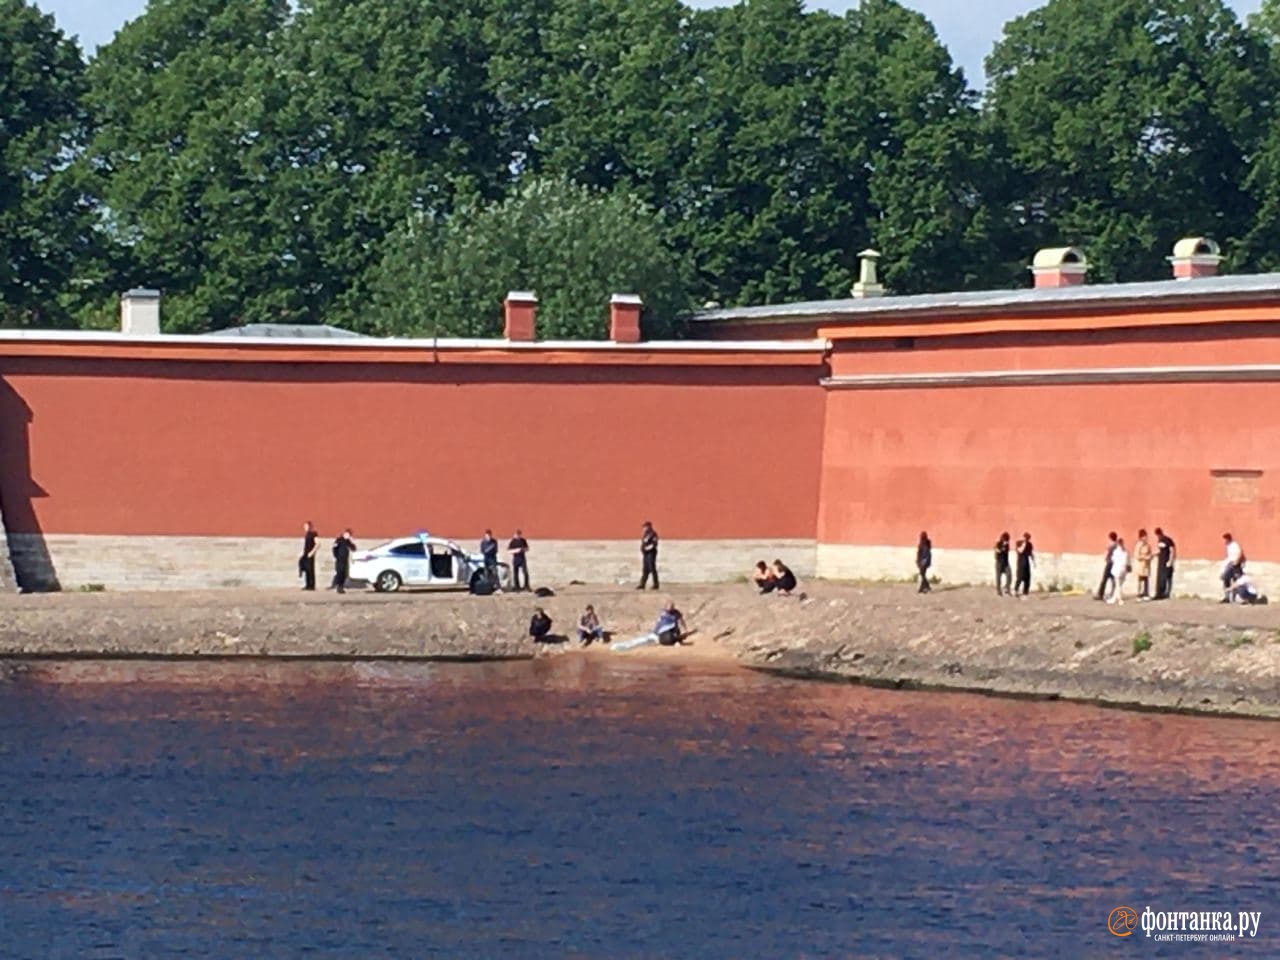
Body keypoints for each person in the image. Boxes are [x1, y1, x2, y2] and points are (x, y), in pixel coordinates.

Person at [1221, 533, 1245, 603]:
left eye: (1225, 540)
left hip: (1234, 565)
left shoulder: (1234, 545)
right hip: (1231, 564)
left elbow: (1241, 553)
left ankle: (1235, 598)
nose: (1224, 542)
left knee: (1235, 580)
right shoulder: (1229, 546)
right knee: (1227, 579)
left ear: (1228, 539)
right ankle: (1228, 597)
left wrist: (1237, 561)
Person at [1154, 527, 1177, 600]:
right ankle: (1159, 593)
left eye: (1159, 534)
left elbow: (1172, 550)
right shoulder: (1159, 540)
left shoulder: (1168, 540)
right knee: (1160, 578)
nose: (1158, 536)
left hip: (1167, 562)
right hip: (1161, 562)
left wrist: (1170, 561)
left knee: (1167, 577)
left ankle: (1167, 593)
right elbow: (1160, 551)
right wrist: (1154, 554)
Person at [331, 529, 356, 594]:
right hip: (339, 560)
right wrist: (336, 556)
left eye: (349, 535)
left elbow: (353, 548)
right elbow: (334, 548)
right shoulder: (339, 540)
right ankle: (338, 587)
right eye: (348, 534)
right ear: (345, 534)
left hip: (345, 560)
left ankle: (341, 587)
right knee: (340, 573)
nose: (348, 536)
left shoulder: (348, 541)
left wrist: (352, 541)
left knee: (344, 574)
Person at [1095, 531, 1118, 601]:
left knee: (1104, 579)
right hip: (1114, 564)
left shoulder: (1111, 546)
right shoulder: (1117, 545)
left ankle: (1100, 594)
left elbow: (1107, 554)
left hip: (1109, 564)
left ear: (1110, 538)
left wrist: (1105, 558)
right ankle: (1114, 593)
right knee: (1113, 579)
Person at [1106, 537, 1129, 605]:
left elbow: (1113, 559)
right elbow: (1127, 560)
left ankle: (1115, 599)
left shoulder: (1117, 551)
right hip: (1121, 570)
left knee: (1118, 585)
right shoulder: (1125, 551)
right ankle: (1118, 599)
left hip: (1119, 569)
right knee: (1119, 585)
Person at [639, 521, 660, 590]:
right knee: (645, 569)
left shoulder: (653, 534)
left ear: (649, 527)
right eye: (644, 527)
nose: (644, 528)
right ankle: (642, 584)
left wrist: (647, 548)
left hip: (651, 553)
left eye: (645, 527)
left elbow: (654, 543)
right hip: (645, 554)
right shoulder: (645, 534)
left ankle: (656, 584)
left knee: (652, 568)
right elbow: (644, 542)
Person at [1133, 529, 1153, 600]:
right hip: (1140, 564)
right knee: (1140, 579)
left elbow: (1150, 552)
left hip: (1146, 565)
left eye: (1146, 536)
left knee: (1146, 579)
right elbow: (1136, 555)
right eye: (1144, 536)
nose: (1146, 538)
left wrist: (1150, 556)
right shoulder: (1139, 545)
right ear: (1141, 537)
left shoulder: (1148, 545)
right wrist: (1144, 557)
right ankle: (1138, 594)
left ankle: (1146, 594)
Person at [299, 521, 318, 591]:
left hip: (310, 554)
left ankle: (311, 585)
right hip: (306, 554)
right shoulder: (307, 534)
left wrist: (312, 552)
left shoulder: (313, 534)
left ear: (309, 526)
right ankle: (307, 585)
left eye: (306, 526)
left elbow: (318, 544)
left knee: (310, 569)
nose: (305, 527)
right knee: (306, 569)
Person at [994, 532, 1012, 596]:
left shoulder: (1007, 545)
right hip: (999, 563)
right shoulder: (998, 543)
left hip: (1006, 563)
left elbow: (1006, 551)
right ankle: (998, 590)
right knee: (998, 577)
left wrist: (1004, 546)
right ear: (1002, 538)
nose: (1006, 541)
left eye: (1007, 539)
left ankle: (1006, 588)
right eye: (1005, 539)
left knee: (1009, 575)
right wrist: (1002, 547)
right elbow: (997, 551)